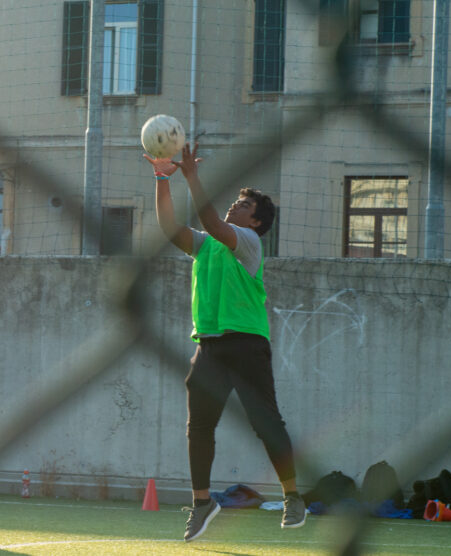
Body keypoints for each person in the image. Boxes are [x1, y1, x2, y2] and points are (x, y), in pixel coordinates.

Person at [148, 143, 305, 542]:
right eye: (235, 202)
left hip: (247, 344)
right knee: (198, 426)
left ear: (256, 222)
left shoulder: (249, 244)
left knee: (265, 422)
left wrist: (191, 175)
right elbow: (170, 228)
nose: (235, 206)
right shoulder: (207, 246)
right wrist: (163, 178)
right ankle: (203, 503)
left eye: (243, 205)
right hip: (211, 345)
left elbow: (211, 220)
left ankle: (292, 496)